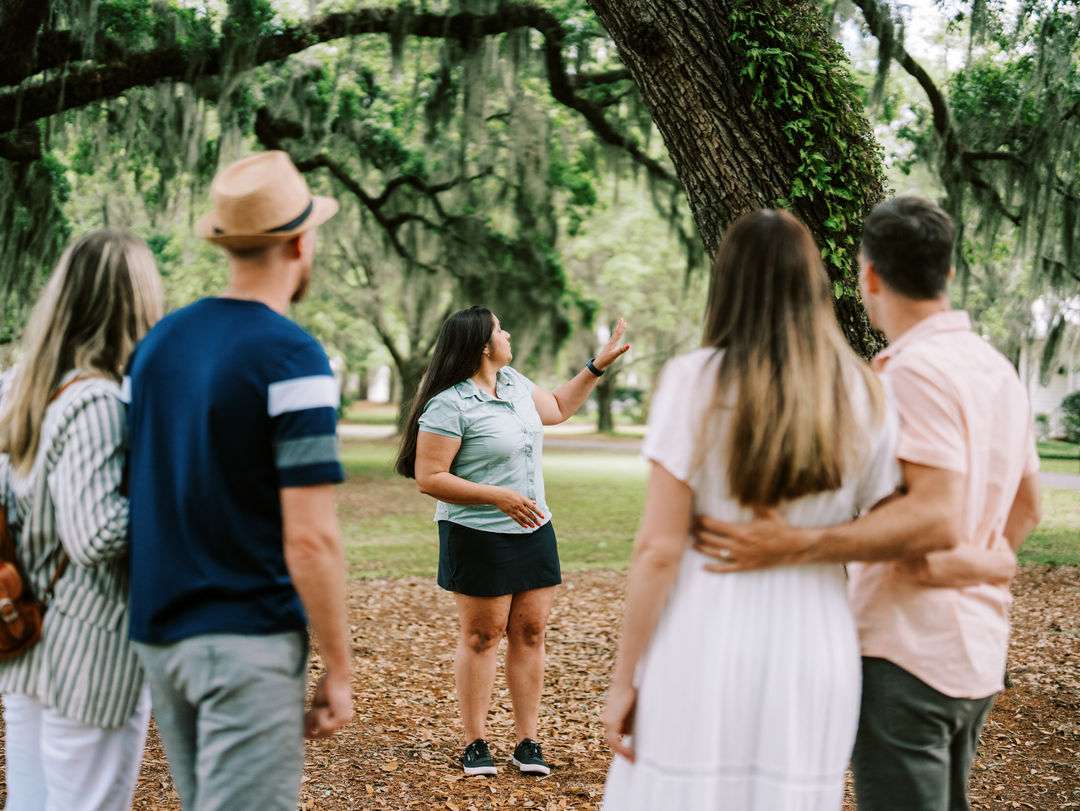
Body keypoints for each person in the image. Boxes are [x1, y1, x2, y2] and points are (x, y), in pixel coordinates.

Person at [693, 196, 1042, 811]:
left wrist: (797, 543)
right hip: (977, 649)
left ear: (870, 275)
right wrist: (982, 565)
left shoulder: (914, 373)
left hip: (905, 652)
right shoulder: (997, 369)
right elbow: (1027, 505)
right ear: (950, 273)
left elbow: (933, 515)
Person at [600, 210, 908, 810]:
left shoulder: (694, 380)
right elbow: (893, 524)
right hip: (813, 645)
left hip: (702, 631)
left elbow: (659, 550)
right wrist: (814, 540)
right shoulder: (864, 390)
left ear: (728, 284)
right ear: (814, 282)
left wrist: (623, 680)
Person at [124, 151, 354, 810]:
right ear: (301, 241)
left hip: (161, 636)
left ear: (226, 242)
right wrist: (338, 666)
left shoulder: (159, 343)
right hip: (246, 639)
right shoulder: (292, 355)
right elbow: (311, 540)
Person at [396, 306, 628, 776]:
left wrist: (597, 365)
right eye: (501, 328)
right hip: (476, 533)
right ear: (484, 345)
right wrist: (495, 497)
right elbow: (428, 477)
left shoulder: (516, 384)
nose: (508, 333)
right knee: (483, 636)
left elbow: (559, 409)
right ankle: (476, 742)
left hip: (533, 528)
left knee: (531, 633)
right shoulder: (449, 404)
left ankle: (528, 741)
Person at [0, 230, 164, 810]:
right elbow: (94, 534)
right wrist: (180, 496)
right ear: (134, 301)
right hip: (90, 649)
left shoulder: (24, 388)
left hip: (28, 632)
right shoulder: (95, 401)